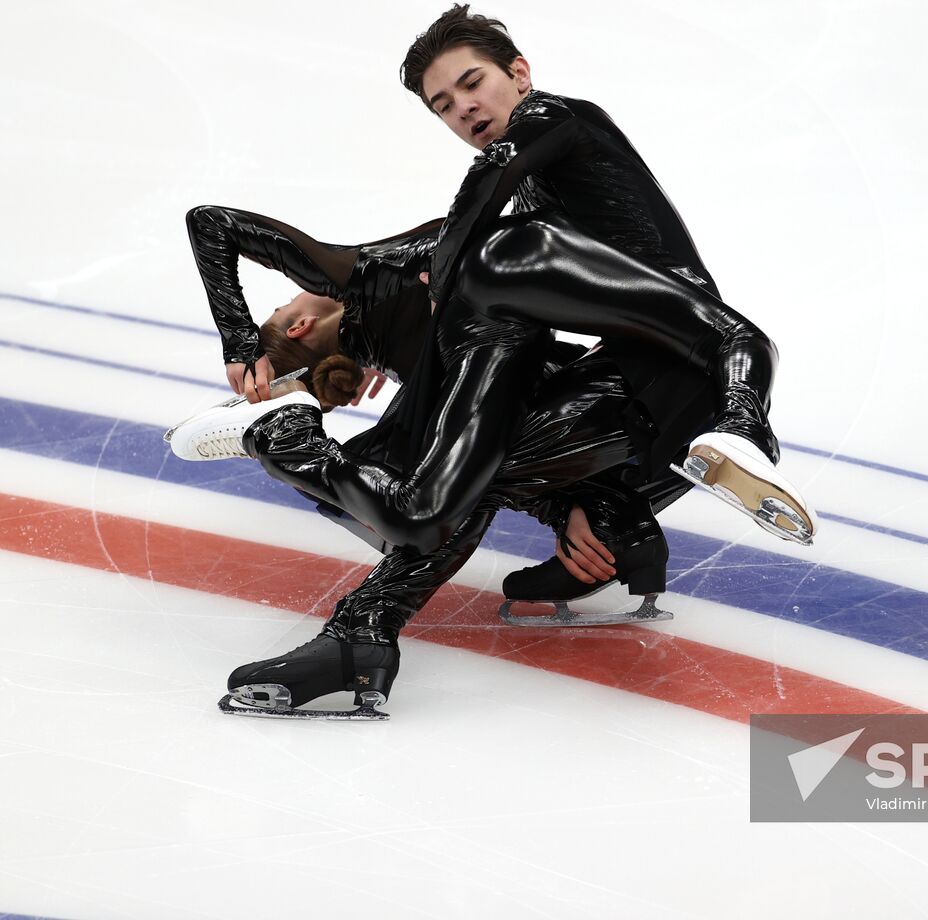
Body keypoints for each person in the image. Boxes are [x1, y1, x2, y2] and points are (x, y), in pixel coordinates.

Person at [171, 4, 816, 561]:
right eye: (443, 106)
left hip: (671, 336)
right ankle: (693, 466)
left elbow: (488, 185)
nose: (463, 109)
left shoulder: (557, 119)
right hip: (637, 366)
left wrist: (242, 343)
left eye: (471, 84)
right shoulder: (489, 227)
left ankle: (731, 441)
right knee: (448, 484)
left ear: (520, 72)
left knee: (740, 344)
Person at [181, 204, 687, 718]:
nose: (292, 294)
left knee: (452, 478)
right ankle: (617, 526)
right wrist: (249, 341)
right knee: (435, 469)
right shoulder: (375, 285)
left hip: (641, 389)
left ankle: (366, 628)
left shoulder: (390, 306)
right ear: (299, 325)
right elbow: (211, 222)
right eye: (284, 304)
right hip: (659, 378)